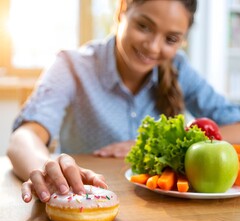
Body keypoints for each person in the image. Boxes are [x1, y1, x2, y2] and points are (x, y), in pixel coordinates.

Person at [7, 0, 240, 203]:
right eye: (144, 26)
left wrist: (153, 144)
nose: (153, 46)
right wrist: (44, 167)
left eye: (170, 39)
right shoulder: (72, 65)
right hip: (84, 200)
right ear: (122, 10)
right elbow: (24, 138)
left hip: (157, 215)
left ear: (183, 40)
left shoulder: (179, 68)